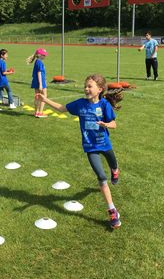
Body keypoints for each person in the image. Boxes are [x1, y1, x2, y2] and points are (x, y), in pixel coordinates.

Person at [36, 74, 124, 229]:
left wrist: (106, 125)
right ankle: (112, 210)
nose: (86, 89)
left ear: (99, 89)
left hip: (104, 144)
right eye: (85, 86)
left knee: (113, 165)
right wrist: (45, 100)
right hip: (90, 147)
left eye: (90, 86)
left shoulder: (104, 105)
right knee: (102, 177)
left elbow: (114, 124)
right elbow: (62, 109)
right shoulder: (80, 104)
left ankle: (115, 170)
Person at [27, 48, 49, 118]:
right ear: (39, 55)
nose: (45, 56)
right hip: (40, 82)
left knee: (37, 97)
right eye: (44, 55)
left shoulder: (37, 61)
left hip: (36, 81)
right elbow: (39, 73)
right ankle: (40, 113)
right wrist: (41, 84)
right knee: (44, 97)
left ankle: (36, 112)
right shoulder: (40, 62)